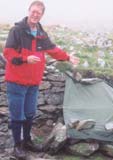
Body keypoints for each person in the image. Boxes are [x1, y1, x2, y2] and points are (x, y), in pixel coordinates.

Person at [3, 1, 79, 159]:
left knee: (30, 114)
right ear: (29, 11)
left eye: (39, 12)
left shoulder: (41, 33)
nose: (35, 14)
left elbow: (53, 50)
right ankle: (18, 146)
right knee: (18, 116)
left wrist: (68, 57)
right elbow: (8, 54)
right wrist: (25, 58)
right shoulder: (16, 30)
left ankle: (28, 141)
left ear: (41, 15)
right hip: (16, 82)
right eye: (34, 11)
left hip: (33, 84)